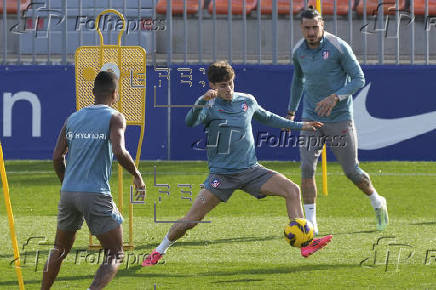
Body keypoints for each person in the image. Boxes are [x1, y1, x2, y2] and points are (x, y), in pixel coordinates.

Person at [142, 61, 332, 267]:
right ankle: (159, 251)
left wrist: (300, 125)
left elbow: (268, 118)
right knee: (191, 220)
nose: (228, 88)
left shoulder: (247, 101)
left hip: (251, 171)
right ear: (213, 85)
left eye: (231, 83)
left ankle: (306, 242)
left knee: (292, 190)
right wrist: (202, 99)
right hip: (222, 176)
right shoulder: (209, 106)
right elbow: (190, 120)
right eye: (222, 85)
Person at [287, 7, 388, 235]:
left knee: (351, 171)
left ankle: (377, 200)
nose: (311, 32)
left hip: (340, 118)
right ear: (301, 28)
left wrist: (335, 97)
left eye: (315, 27)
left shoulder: (338, 47)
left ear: (323, 26)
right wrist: (291, 111)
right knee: (305, 168)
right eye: (307, 28)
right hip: (310, 118)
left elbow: (359, 78)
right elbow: (297, 81)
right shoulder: (298, 51)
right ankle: (310, 223)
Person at [41, 71, 145, 290]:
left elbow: (57, 157)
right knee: (115, 254)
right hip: (95, 192)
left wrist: (67, 183)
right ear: (115, 94)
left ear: (92, 92)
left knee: (59, 249)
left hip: (68, 192)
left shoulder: (73, 118)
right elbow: (119, 151)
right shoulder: (115, 117)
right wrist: (136, 174)